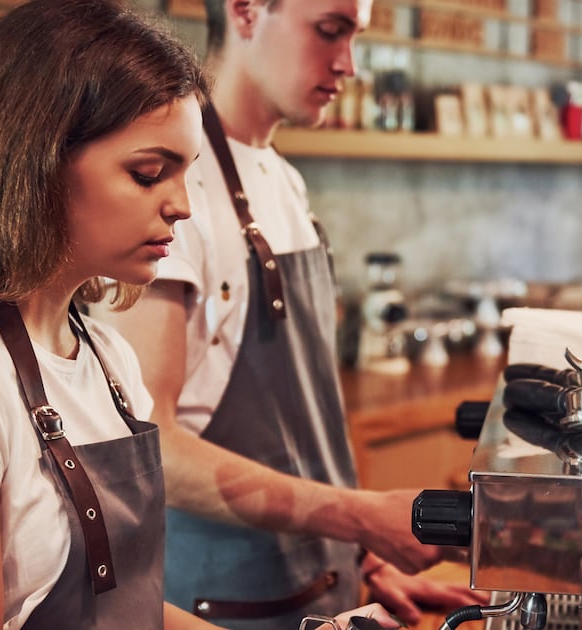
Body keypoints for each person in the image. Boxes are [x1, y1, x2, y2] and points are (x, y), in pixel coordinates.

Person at [0, 1, 398, 628]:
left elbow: (125, 610)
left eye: (185, 175)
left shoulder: (105, 358)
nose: (182, 207)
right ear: (35, 161)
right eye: (148, 173)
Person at [98, 0, 487, 625]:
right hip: (229, 606)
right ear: (246, 12)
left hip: (322, 587)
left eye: (355, 36)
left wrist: (364, 560)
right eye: (329, 31)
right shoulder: (175, 198)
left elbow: (296, 430)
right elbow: (150, 442)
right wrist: (360, 513)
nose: (349, 63)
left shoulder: (282, 181)